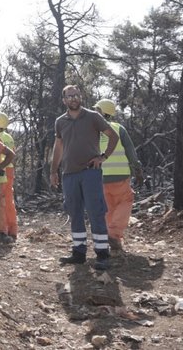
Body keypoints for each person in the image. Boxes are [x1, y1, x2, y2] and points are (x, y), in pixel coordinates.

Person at [50, 85, 119, 270]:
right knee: (75, 213)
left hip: (90, 172)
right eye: (69, 96)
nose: (73, 98)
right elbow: (58, 147)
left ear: (81, 97)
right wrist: (53, 170)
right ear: (64, 100)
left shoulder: (93, 116)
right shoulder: (60, 122)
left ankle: (102, 254)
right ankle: (79, 253)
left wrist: (102, 157)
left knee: (96, 212)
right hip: (69, 174)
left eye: (76, 95)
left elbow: (113, 136)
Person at [93, 99, 145, 252]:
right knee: (125, 201)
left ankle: (109, 234)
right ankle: (114, 235)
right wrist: (138, 169)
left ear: (101, 113)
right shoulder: (118, 128)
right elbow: (130, 151)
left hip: (100, 177)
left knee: (108, 207)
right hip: (120, 175)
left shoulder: (92, 131)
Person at [0, 112, 18, 240]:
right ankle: (13, 230)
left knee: (0, 202)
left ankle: (2, 230)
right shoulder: (9, 137)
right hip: (10, 171)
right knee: (9, 201)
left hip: (1, 172)